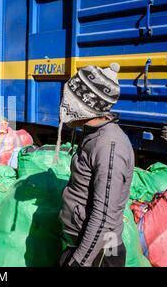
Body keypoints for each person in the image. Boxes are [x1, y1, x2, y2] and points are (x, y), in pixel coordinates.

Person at [54, 63, 134, 267]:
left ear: (85, 105)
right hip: (85, 246)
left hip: (99, 253)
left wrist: (79, 262)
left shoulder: (109, 147)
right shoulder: (94, 135)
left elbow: (103, 216)